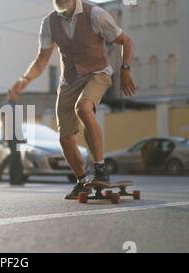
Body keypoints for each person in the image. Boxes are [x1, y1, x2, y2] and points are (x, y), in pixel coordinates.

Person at [7, 0, 136, 199]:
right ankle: (82, 181)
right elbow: (42, 59)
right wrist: (24, 80)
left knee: (83, 108)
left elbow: (126, 41)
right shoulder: (49, 23)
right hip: (69, 81)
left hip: (97, 73)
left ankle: (100, 169)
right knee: (65, 138)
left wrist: (125, 69)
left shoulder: (95, 14)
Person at [0, 94, 25, 185]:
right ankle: (2, 171)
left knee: (16, 156)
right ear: (9, 95)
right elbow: (4, 120)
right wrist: (6, 135)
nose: (17, 96)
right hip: (10, 135)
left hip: (17, 135)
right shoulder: (6, 105)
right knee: (15, 155)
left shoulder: (16, 106)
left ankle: (15, 179)